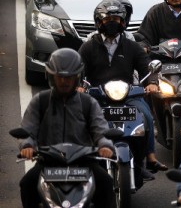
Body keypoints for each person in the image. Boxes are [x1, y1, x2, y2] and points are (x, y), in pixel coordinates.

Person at [78, 0, 166, 177]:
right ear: (99, 21)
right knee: (80, 120)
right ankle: (81, 159)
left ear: (123, 21)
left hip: (128, 94)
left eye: (116, 19)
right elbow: (78, 68)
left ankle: (149, 157)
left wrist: (151, 83)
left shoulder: (132, 46)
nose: (112, 23)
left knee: (146, 116)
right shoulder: (88, 47)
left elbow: (145, 66)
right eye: (107, 19)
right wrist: (79, 86)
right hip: (97, 96)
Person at [18, 49, 116, 208]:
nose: (64, 81)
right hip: (48, 163)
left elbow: (101, 130)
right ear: (51, 76)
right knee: (27, 184)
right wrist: (27, 146)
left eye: (69, 77)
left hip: (84, 163)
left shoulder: (88, 103)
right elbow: (28, 130)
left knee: (106, 183)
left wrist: (105, 145)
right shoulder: (40, 101)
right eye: (60, 77)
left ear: (77, 77)